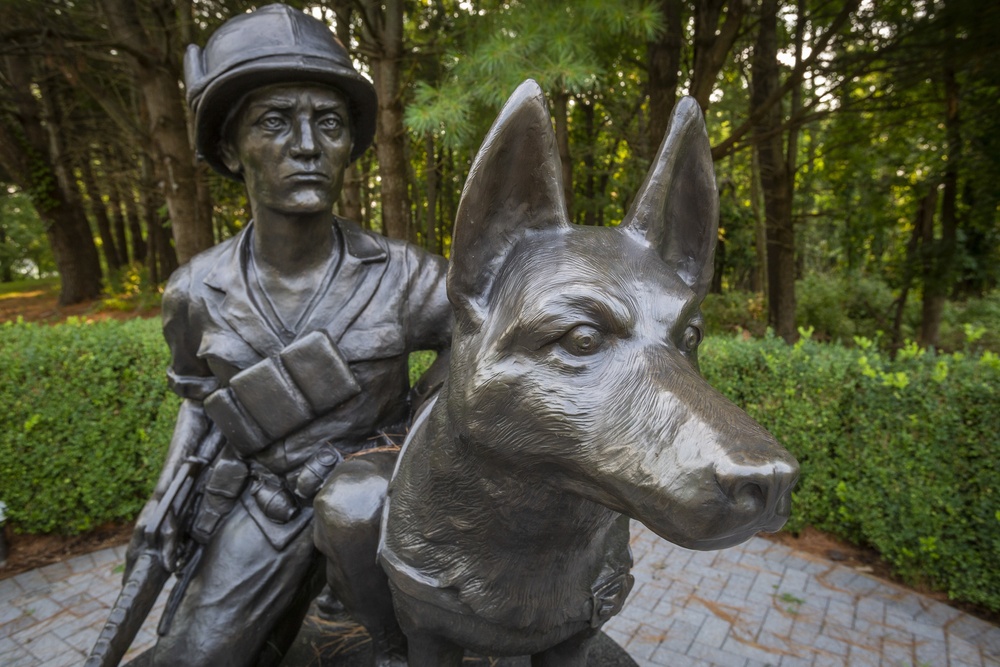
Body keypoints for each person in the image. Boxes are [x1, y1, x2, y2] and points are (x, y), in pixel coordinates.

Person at [130, 5, 452, 665]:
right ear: (229, 147)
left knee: (360, 510)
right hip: (270, 502)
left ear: (348, 146)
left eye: (328, 123)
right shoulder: (194, 291)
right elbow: (199, 402)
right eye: (274, 121)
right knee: (188, 654)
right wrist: (164, 500)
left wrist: (420, 436)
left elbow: (487, 342)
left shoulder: (409, 276)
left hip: (380, 497)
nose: (306, 144)